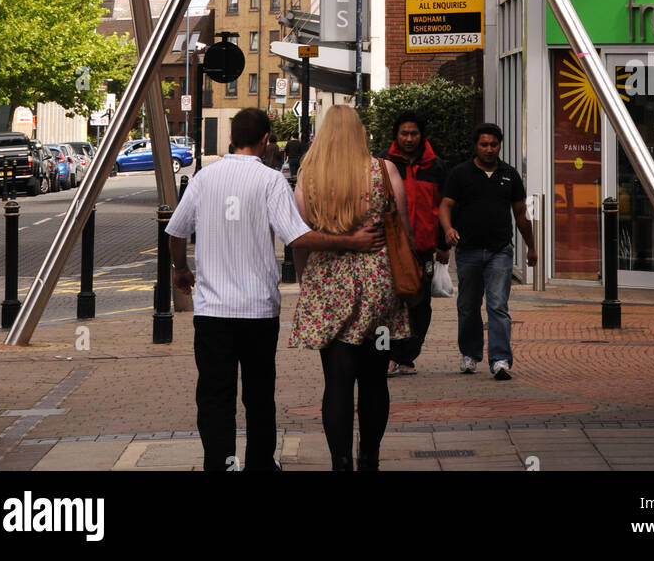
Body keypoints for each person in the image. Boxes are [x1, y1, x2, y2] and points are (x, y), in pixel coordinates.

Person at [167, 107, 383, 473]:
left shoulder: (204, 179)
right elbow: (297, 236)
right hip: (257, 311)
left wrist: (181, 269)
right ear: (266, 140)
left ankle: (219, 464)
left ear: (231, 138)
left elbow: (174, 231)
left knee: (214, 396)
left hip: (212, 312)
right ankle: (260, 464)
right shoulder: (270, 181)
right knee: (258, 395)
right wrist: (352, 241)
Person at [289, 106, 412, 471]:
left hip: (328, 287)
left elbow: (300, 239)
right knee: (375, 380)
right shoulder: (384, 170)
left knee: (337, 382)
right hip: (379, 288)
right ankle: (369, 458)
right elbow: (402, 230)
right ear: (360, 133)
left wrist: (303, 280)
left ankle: (340, 462)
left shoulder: (308, 177)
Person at [438, 122, 536, 381]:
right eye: (484, 144)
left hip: (499, 251)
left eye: (494, 144)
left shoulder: (510, 175)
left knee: (497, 305)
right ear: (475, 146)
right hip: (468, 251)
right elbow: (445, 206)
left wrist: (532, 247)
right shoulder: (460, 174)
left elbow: (521, 214)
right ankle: (469, 354)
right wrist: (448, 230)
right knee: (468, 306)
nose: (490, 149)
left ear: (499, 145)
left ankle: (500, 359)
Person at [377, 110, 449, 377]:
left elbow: (444, 206)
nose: (409, 138)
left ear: (421, 135)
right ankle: (385, 355)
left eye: (414, 133)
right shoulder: (383, 163)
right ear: (396, 135)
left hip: (423, 247)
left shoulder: (436, 166)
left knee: (420, 306)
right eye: (404, 133)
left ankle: (407, 356)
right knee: (385, 305)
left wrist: (443, 244)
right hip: (390, 248)